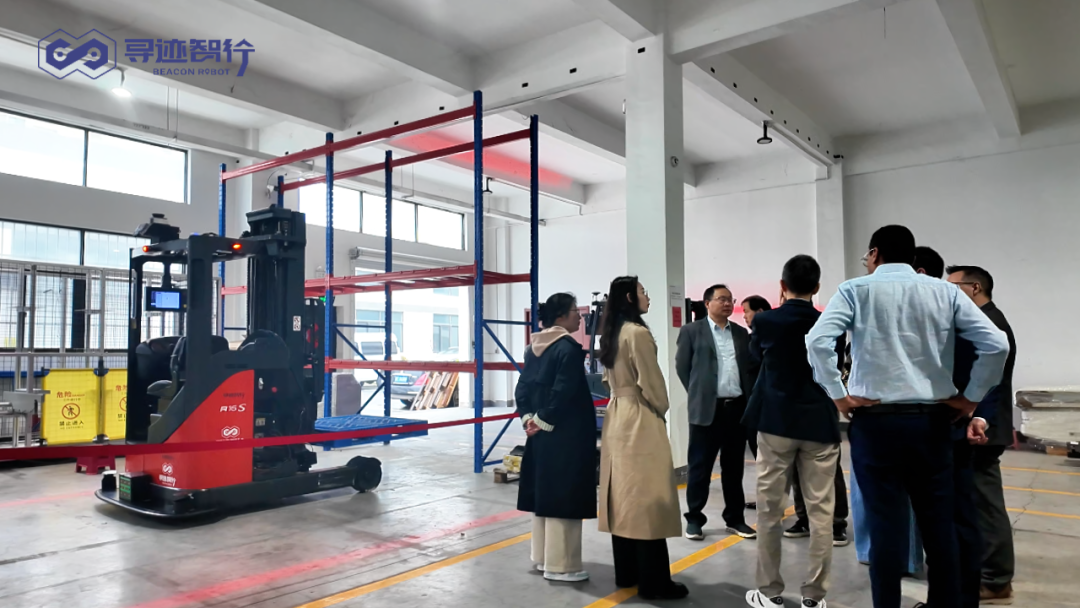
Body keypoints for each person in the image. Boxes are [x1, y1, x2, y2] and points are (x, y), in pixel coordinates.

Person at [806, 225, 1009, 608]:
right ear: (911, 255)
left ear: (875, 253)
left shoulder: (855, 290)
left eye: (867, 256)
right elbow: (996, 343)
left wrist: (838, 395)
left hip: (876, 423)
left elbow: (817, 341)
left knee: (885, 529)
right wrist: (971, 399)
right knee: (939, 527)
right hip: (932, 423)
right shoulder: (945, 292)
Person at [742, 255, 844, 608]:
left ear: (782, 286)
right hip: (819, 424)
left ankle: (769, 591)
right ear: (817, 287)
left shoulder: (765, 321)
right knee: (821, 513)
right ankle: (814, 596)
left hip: (776, 422)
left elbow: (757, 357)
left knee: (769, 511)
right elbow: (834, 364)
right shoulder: (829, 322)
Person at [597, 276, 688, 600]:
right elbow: (651, 383)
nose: (647, 297)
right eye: (642, 292)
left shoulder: (612, 332)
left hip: (616, 415)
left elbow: (607, 380)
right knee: (648, 498)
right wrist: (661, 409)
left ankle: (627, 572)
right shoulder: (637, 333)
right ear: (628, 297)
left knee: (623, 497)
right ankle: (654, 582)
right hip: (638, 415)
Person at [515, 293, 598, 583]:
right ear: (561, 316)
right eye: (576, 311)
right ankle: (562, 565)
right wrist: (545, 419)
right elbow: (563, 391)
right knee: (565, 495)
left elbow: (522, 388)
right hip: (567, 433)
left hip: (540, 434)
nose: (580, 317)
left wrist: (530, 419)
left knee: (545, 493)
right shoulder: (568, 348)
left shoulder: (533, 348)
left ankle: (542, 557)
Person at [947, 265, 1017, 605]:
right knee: (976, 503)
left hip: (984, 427)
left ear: (974, 287)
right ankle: (986, 573)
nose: (947, 294)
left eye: (953, 287)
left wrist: (980, 419)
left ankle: (996, 580)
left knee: (985, 506)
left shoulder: (990, 324)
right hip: (980, 423)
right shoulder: (982, 320)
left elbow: (992, 382)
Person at [676, 284, 759, 540]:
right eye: (721, 299)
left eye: (730, 300)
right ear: (707, 303)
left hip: (736, 409)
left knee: (734, 469)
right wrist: (700, 394)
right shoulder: (691, 331)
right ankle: (694, 519)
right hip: (706, 411)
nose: (727, 303)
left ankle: (735, 519)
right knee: (700, 468)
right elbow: (682, 368)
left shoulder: (740, 333)